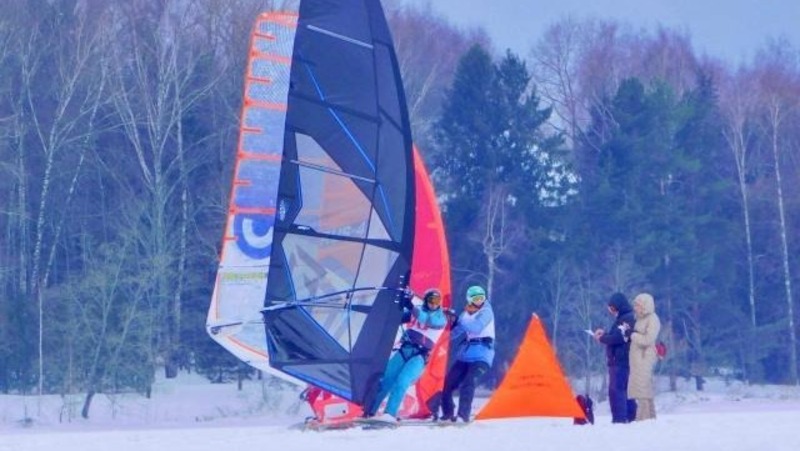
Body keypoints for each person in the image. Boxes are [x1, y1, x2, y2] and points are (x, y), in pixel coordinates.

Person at [368, 288, 447, 422]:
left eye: (437, 301)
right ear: (426, 301)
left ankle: (389, 414)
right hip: (404, 350)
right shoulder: (416, 311)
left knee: (402, 381)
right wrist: (398, 304)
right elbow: (394, 318)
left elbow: (427, 320)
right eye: (431, 301)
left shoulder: (440, 318)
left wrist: (410, 305)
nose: (434, 304)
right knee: (386, 380)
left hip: (419, 356)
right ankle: (369, 411)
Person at [439, 285, 495, 423]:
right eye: (476, 299)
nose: (479, 301)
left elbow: (476, 328)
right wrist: (442, 336)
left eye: (481, 298)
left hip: (482, 356)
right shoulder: (466, 314)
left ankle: (463, 416)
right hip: (465, 356)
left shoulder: (486, 311)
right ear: (469, 299)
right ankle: (447, 414)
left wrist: (460, 320)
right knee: (446, 384)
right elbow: (455, 333)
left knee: (468, 382)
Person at [593, 292, 635, 423]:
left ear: (619, 306)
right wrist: (605, 334)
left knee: (617, 392)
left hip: (621, 362)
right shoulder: (625, 318)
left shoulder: (626, 319)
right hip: (622, 361)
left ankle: (620, 420)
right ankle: (630, 418)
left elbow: (620, 338)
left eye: (613, 308)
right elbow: (619, 335)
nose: (611, 311)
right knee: (625, 391)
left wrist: (602, 338)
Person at [628, 292, 661, 421]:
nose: (635, 308)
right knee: (641, 386)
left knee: (642, 387)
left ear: (645, 306)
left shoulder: (653, 319)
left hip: (645, 357)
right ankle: (650, 417)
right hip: (637, 358)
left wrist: (633, 335)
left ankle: (643, 417)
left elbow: (648, 339)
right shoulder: (639, 319)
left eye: (638, 305)